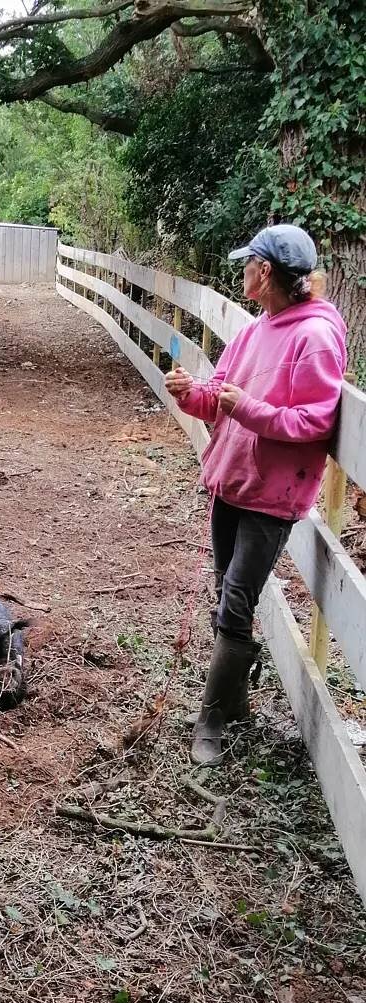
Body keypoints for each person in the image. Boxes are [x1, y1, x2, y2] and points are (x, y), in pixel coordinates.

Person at [165, 223, 348, 765]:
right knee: (227, 591)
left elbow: (315, 421)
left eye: (248, 262)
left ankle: (211, 722)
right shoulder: (255, 330)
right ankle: (237, 700)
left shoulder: (314, 336)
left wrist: (245, 407)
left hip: (273, 497)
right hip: (232, 482)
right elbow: (219, 397)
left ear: (265, 272)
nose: (242, 269)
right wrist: (190, 393)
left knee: (236, 600)